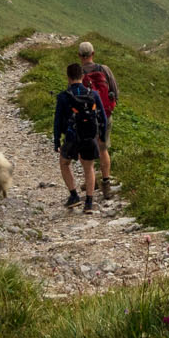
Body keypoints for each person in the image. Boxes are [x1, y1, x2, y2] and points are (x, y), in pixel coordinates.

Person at [53, 61, 108, 213]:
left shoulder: (63, 97)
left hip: (71, 137)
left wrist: (57, 139)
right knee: (88, 167)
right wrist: (101, 135)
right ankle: (89, 203)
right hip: (90, 136)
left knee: (64, 163)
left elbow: (57, 120)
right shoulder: (93, 94)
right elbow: (102, 117)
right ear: (82, 76)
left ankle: (74, 195)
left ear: (68, 77)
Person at [77, 41, 120, 192]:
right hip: (105, 115)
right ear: (93, 54)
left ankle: (91, 181)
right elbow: (114, 89)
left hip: (86, 119)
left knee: (87, 150)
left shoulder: (77, 73)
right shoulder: (104, 69)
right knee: (103, 149)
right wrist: (111, 107)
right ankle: (106, 183)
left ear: (79, 56)